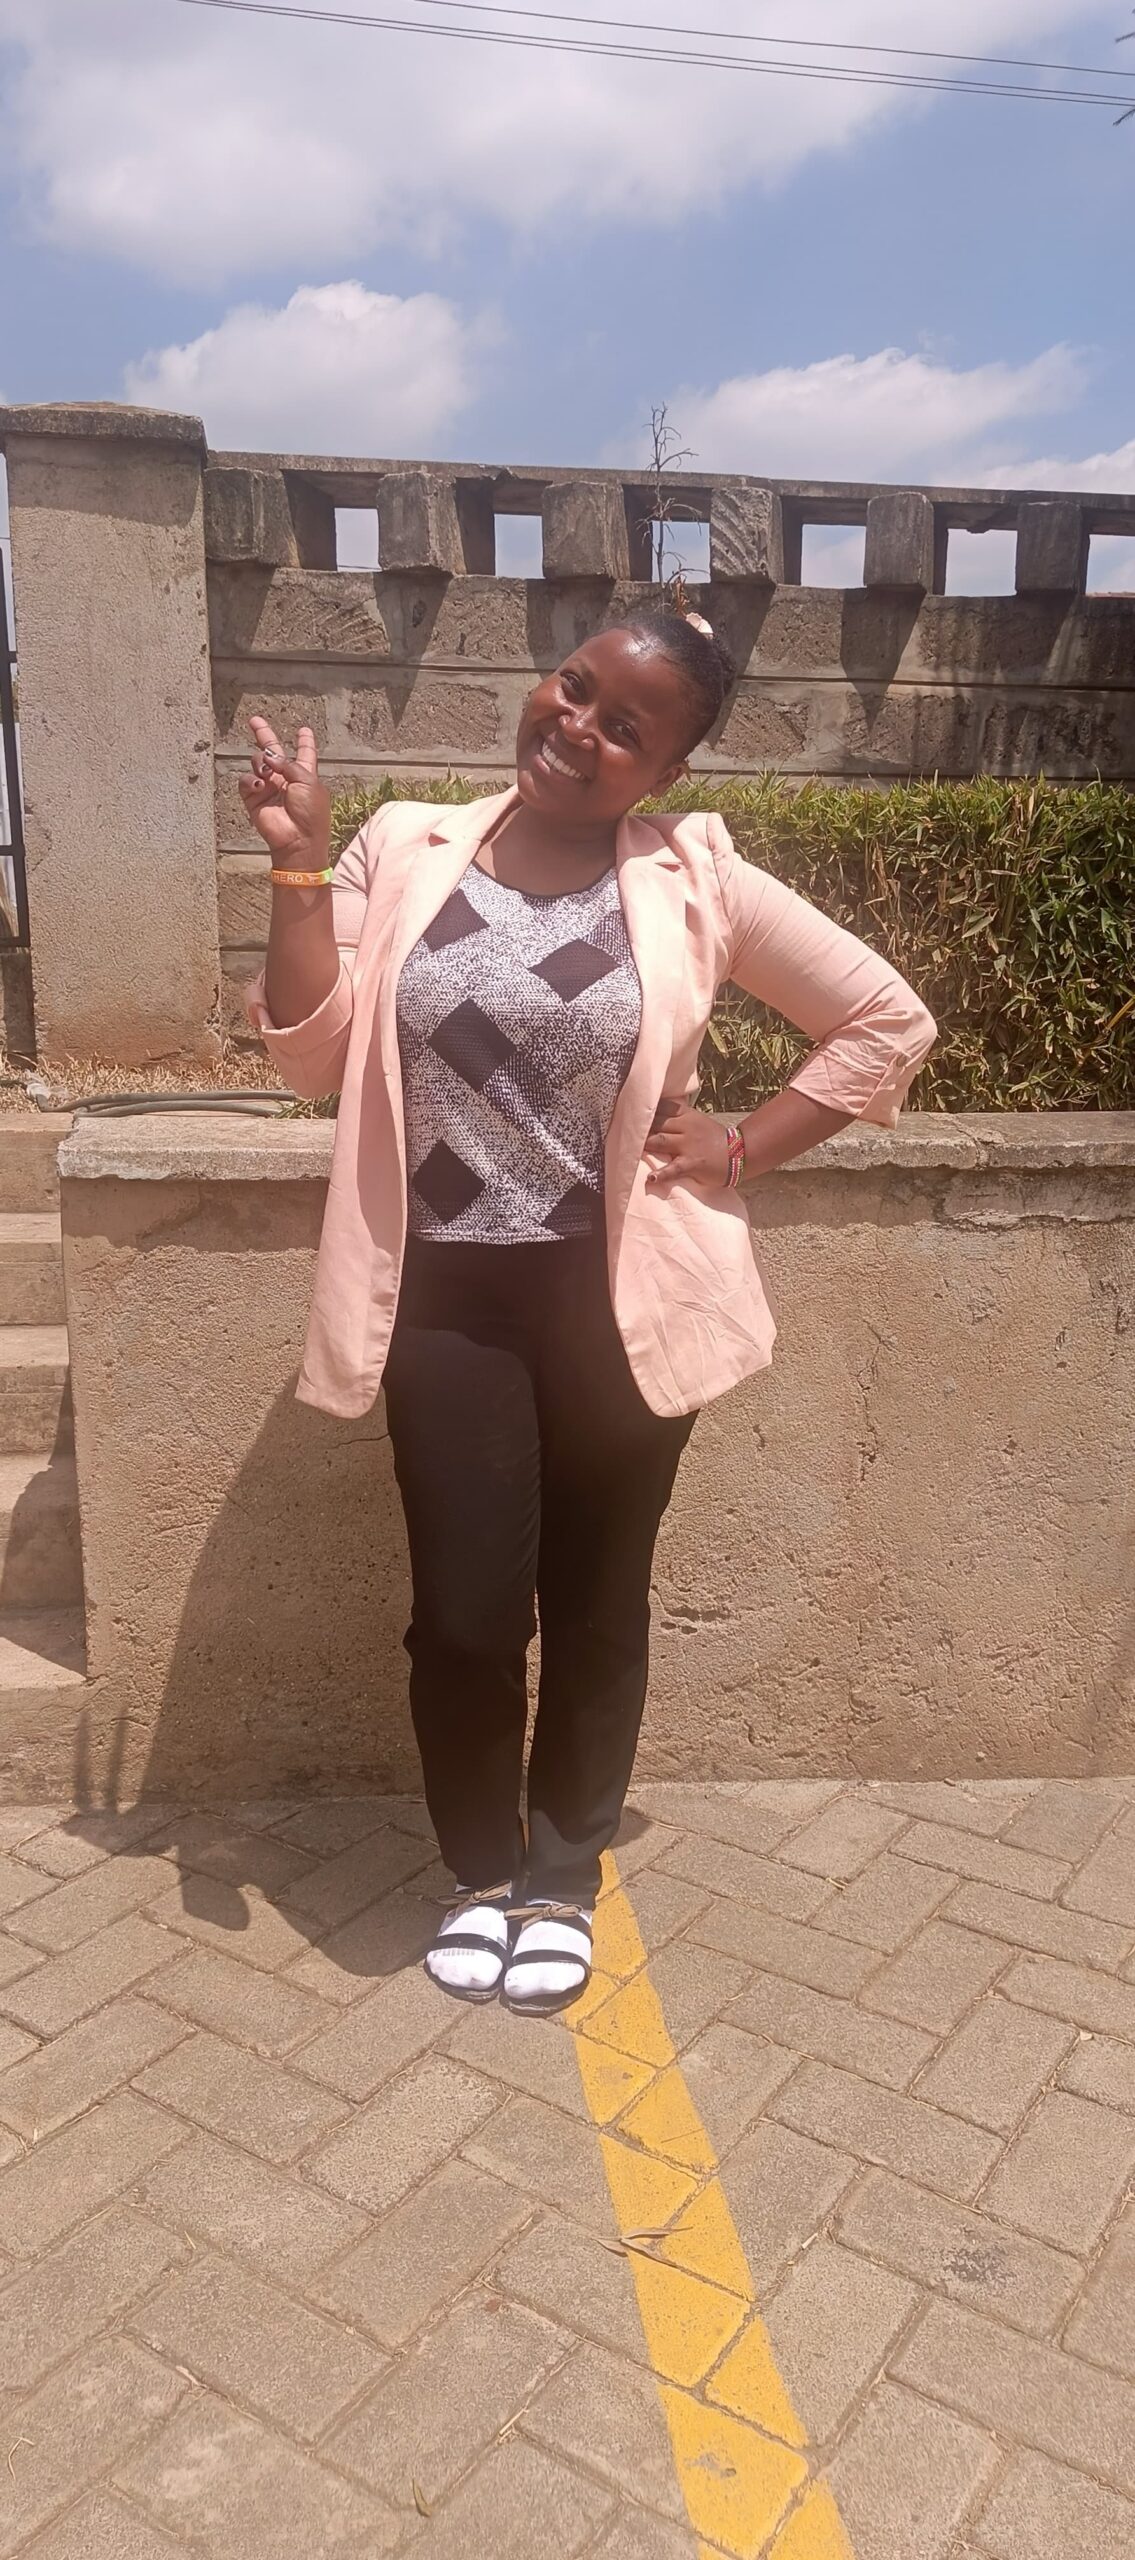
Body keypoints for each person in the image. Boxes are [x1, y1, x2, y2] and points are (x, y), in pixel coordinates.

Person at [243, 605, 936, 2017]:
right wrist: (300, 867)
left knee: (598, 1598)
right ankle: (479, 1871)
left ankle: (561, 1876)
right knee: (464, 1614)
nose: (578, 729)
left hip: (617, 1294)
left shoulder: (697, 878)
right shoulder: (407, 845)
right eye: (573, 689)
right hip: (444, 1292)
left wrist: (741, 1146)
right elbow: (312, 1056)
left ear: (665, 771)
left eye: (626, 727)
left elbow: (884, 1021)